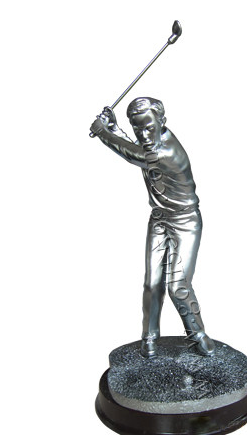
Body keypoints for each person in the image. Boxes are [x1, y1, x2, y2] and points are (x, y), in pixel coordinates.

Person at [90, 97, 215, 357]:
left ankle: (198, 335)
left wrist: (103, 133)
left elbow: (133, 155)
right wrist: (114, 128)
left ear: (162, 122)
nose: (144, 135)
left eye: (148, 128)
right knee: (152, 283)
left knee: (178, 286)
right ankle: (149, 337)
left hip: (185, 221)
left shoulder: (165, 152)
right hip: (159, 219)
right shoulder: (152, 144)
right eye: (138, 129)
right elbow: (133, 148)